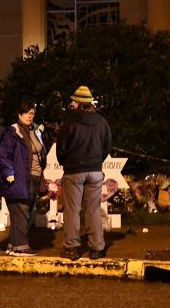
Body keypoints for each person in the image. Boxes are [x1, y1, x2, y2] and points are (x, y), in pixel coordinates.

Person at [56, 85, 111, 261]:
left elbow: (61, 150)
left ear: (79, 103)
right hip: (95, 171)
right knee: (93, 209)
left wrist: (67, 163)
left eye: (73, 101)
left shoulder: (69, 123)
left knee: (72, 210)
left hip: (74, 172)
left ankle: (72, 248)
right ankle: (97, 248)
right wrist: (96, 162)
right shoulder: (102, 122)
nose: (71, 103)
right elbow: (106, 147)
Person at [0, 98, 47, 257]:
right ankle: (21, 247)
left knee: (24, 212)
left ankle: (13, 245)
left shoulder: (34, 131)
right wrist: (9, 173)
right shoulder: (13, 132)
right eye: (26, 113)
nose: (29, 116)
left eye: (32, 113)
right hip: (19, 178)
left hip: (34, 178)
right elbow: (3, 155)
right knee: (21, 211)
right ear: (19, 114)